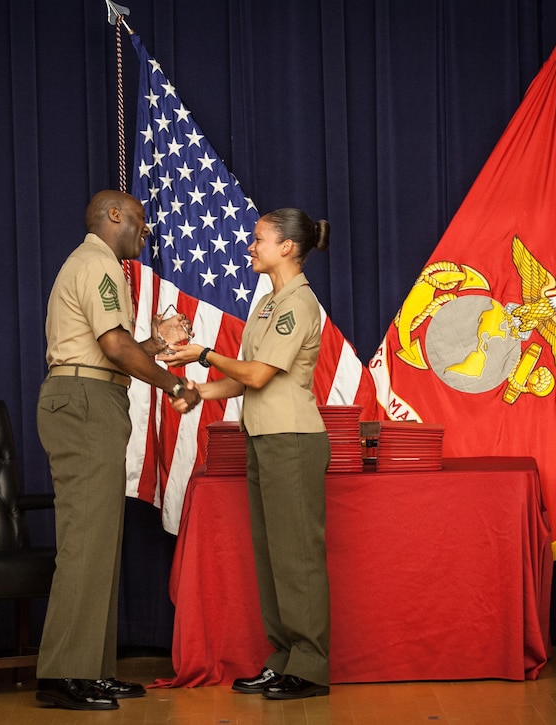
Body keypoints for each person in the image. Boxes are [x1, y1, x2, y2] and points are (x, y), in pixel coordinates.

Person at [33, 189, 202, 711]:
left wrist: (154, 344)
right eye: (141, 223)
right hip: (83, 401)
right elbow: (112, 348)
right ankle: (64, 673)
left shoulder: (97, 265)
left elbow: (112, 347)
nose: (145, 232)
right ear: (114, 216)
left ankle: (93, 668)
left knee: (100, 541)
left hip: (94, 396)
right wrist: (174, 385)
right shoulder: (97, 264)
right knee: (86, 541)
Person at [160, 207, 332, 700]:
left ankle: (311, 667)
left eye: (259, 239)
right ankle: (283, 659)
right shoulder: (267, 304)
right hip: (264, 439)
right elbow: (243, 379)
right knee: (273, 556)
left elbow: (257, 376)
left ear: (288, 248)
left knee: (297, 558)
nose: (249, 247)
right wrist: (197, 391)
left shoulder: (299, 304)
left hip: (292, 440)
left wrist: (202, 354)